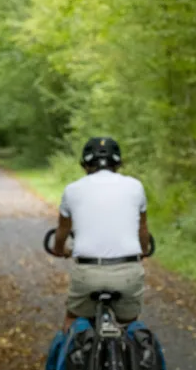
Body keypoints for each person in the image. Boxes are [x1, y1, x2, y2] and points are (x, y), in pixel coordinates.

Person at [52, 137, 150, 333]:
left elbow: (62, 231)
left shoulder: (72, 190)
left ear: (85, 164)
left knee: (72, 319)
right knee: (129, 323)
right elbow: (142, 229)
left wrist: (59, 249)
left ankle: (69, 350)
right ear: (118, 163)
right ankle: (133, 346)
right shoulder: (135, 186)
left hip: (88, 273)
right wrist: (144, 250)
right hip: (127, 272)